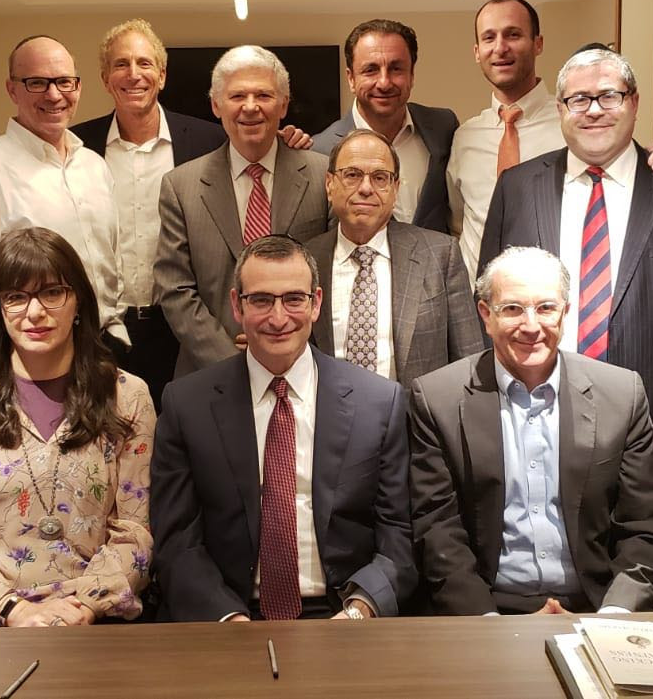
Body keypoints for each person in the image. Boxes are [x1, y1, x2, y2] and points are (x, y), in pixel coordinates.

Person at [151, 235, 413, 621]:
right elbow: (177, 542)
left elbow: (398, 537)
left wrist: (359, 611)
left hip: (343, 612)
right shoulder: (187, 405)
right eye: (261, 300)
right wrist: (229, 620)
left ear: (316, 303)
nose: (278, 318)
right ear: (237, 305)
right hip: (230, 615)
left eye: (293, 299)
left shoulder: (378, 402)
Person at [408, 247, 653, 615]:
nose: (531, 326)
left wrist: (614, 615)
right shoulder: (438, 399)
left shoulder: (622, 394)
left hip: (596, 606)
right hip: (486, 610)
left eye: (546, 308)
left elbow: (645, 525)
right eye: (513, 309)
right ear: (486, 314)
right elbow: (438, 531)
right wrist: (487, 622)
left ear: (565, 312)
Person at [0, 227, 154, 627]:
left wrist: (83, 607)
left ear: (78, 302)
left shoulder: (127, 396)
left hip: (95, 619)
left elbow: (136, 531)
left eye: (52, 293)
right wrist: (15, 609)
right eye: (15, 297)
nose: (35, 312)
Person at [479, 46, 653, 407]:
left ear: (634, 102)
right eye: (578, 99)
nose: (594, 110)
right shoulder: (516, 187)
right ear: (560, 109)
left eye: (610, 96)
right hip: (533, 402)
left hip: (650, 408)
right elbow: (488, 302)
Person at [71, 20, 226, 408]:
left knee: (183, 432)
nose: (133, 74)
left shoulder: (208, 142)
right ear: (105, 78)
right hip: (103, 331)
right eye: (121, 64)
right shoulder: (76, 147)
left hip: (181, 330)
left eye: (144, 63)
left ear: (162, 74)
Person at [0, 35, 127, 356]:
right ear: (12, 89)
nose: (54, 94)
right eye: (37, 83)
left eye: (64, 82)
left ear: (78, 87)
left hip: (102, 349)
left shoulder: (94, 166)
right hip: (30, 358)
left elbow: (112, 260)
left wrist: (116, 331)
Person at [154, 45, 331, 377]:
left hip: (303, 369)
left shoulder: (323, 176)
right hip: (210, 374)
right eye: (237, 96)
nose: (250, 107)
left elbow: (333, 275)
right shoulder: (180, 186)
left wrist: (285, 344)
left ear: (283, 104)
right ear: (216, 105)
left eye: (263, 95)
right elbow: (174, 288)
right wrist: (229, 360)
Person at [304, 129, 481, 387]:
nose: (366, 188)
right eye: (352, 175)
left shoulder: (440, 255)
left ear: (395, 188)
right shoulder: (306, 261)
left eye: (380, 178)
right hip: (328, 411)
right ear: (330, 184)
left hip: (415, 412)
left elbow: (469, 363)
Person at [447, 0, 565, 278]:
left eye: (513, 34)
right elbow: (458, 223)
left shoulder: (572, 125)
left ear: (538, 43)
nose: (500, 48)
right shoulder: (464, 138)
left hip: (552, 296)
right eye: (489, 38)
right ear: (477, 52)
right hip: (477, 297)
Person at [311, 19, 459, 233]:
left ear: (412, 75)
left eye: (396, 68)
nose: (384, 83)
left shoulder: (442, 127)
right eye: (370, 70)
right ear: (351, 78)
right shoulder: (319, 151)